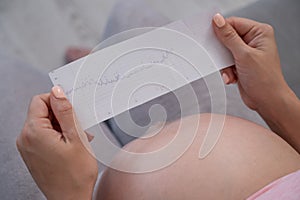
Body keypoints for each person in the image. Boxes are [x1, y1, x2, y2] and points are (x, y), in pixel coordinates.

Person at [16, 14, 300, 199]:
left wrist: (67, 193)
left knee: (10, 78)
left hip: (81, 188)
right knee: (135, 12)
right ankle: (101, 82)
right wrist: (276, 99)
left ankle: (102, 97)